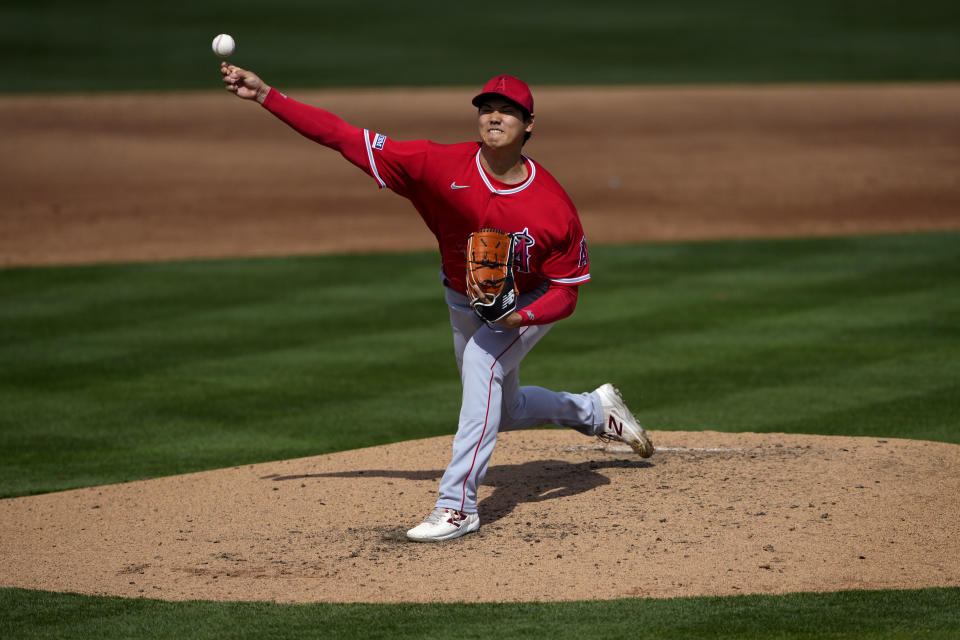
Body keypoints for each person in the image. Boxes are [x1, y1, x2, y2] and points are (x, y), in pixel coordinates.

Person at [220, 62, 654, 542]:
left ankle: (457, 506)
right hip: (462, 297)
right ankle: (596, 412)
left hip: (526, 299)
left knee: (481, 363)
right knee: (501, 407)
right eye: (486, 107)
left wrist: (519, 316)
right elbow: (344, 137)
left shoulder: (553, 206)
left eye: (508, 111)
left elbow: (566, 292)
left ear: (528, 125)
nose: (494, 116)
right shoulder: (435, 164)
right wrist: (266, 95)